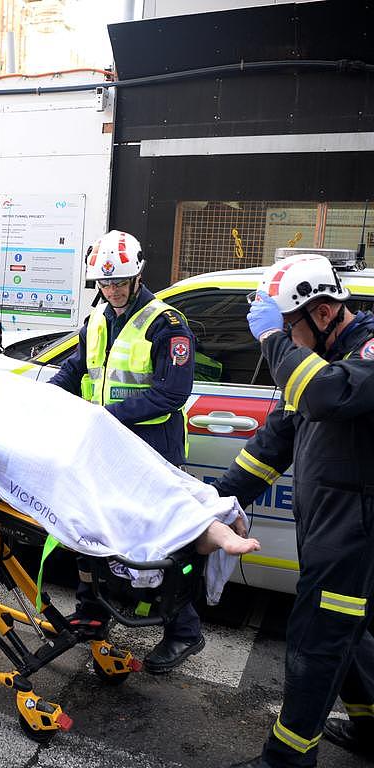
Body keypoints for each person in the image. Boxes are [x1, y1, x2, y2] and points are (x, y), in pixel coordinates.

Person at [216, 253, 374, 768]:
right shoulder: (310, 365)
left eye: (288, 327)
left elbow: (327, 395)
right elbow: (275, 440)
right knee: (347, 634)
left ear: (323, 314)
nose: (281, 342)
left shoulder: (366, 352)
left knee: (316, 642)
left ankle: (285, 760)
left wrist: (272, 340)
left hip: (357, 535)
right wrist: (223, 499)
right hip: (331, 528)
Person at [48, 229, 203, 673]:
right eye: (104, 283)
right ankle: (93, 612)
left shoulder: (166, 324)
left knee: (152, 546)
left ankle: (184, 631)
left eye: (119, 282)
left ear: (137, 277)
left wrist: (107, 414)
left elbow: (171, 393)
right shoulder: (98, 316)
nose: (111, 290)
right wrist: (54, 395)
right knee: (92, 529)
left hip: (151, 447)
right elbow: (78, 365)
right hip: (107, 443)